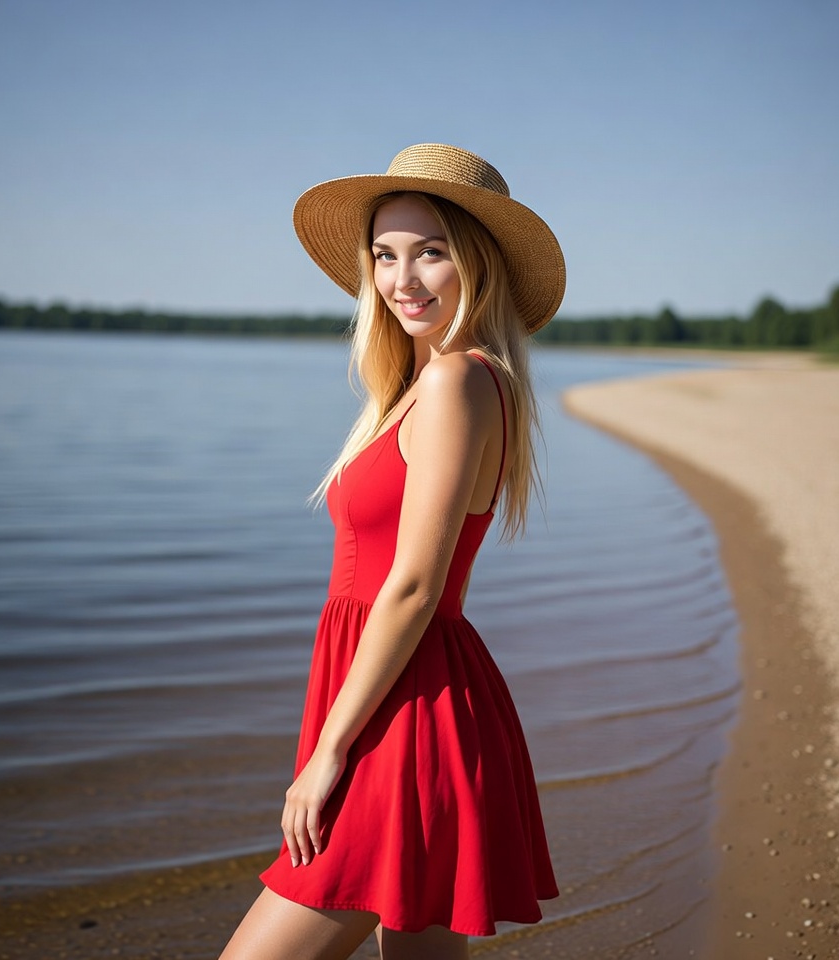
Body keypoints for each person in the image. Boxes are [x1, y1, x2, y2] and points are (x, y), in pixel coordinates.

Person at [218, 143, 566, 960]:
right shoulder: (426, 386)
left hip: (407, 716)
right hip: (396, 696)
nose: (403, 278)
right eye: (385, 254)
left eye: (431, 252)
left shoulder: (456, 383)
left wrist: (329, 752)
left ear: (475, 263)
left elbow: (412, 587)